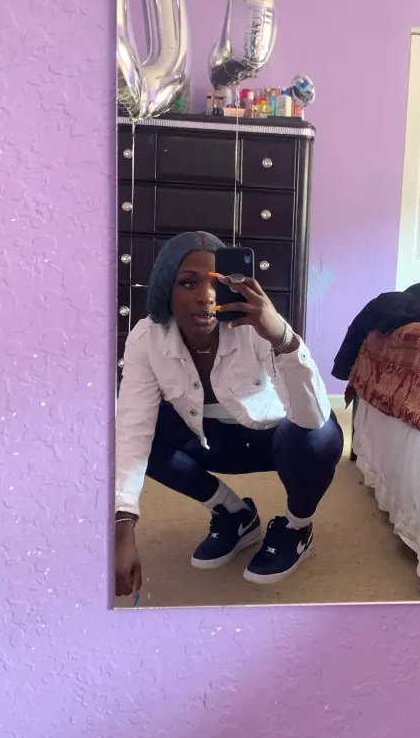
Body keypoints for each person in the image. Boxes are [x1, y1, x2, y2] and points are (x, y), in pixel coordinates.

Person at [114, 230, 344, 597]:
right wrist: (123, 526)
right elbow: (132, 428)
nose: (205, 297)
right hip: (211, 442)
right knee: (141, 435)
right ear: (165, 288)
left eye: (217, 284)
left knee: (320, 436)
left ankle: (297, 527)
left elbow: (313, 418)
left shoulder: (256, 327)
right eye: (188, 283)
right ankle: (235, 514)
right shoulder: (146, 338)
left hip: (275, 439)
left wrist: (282, 338)